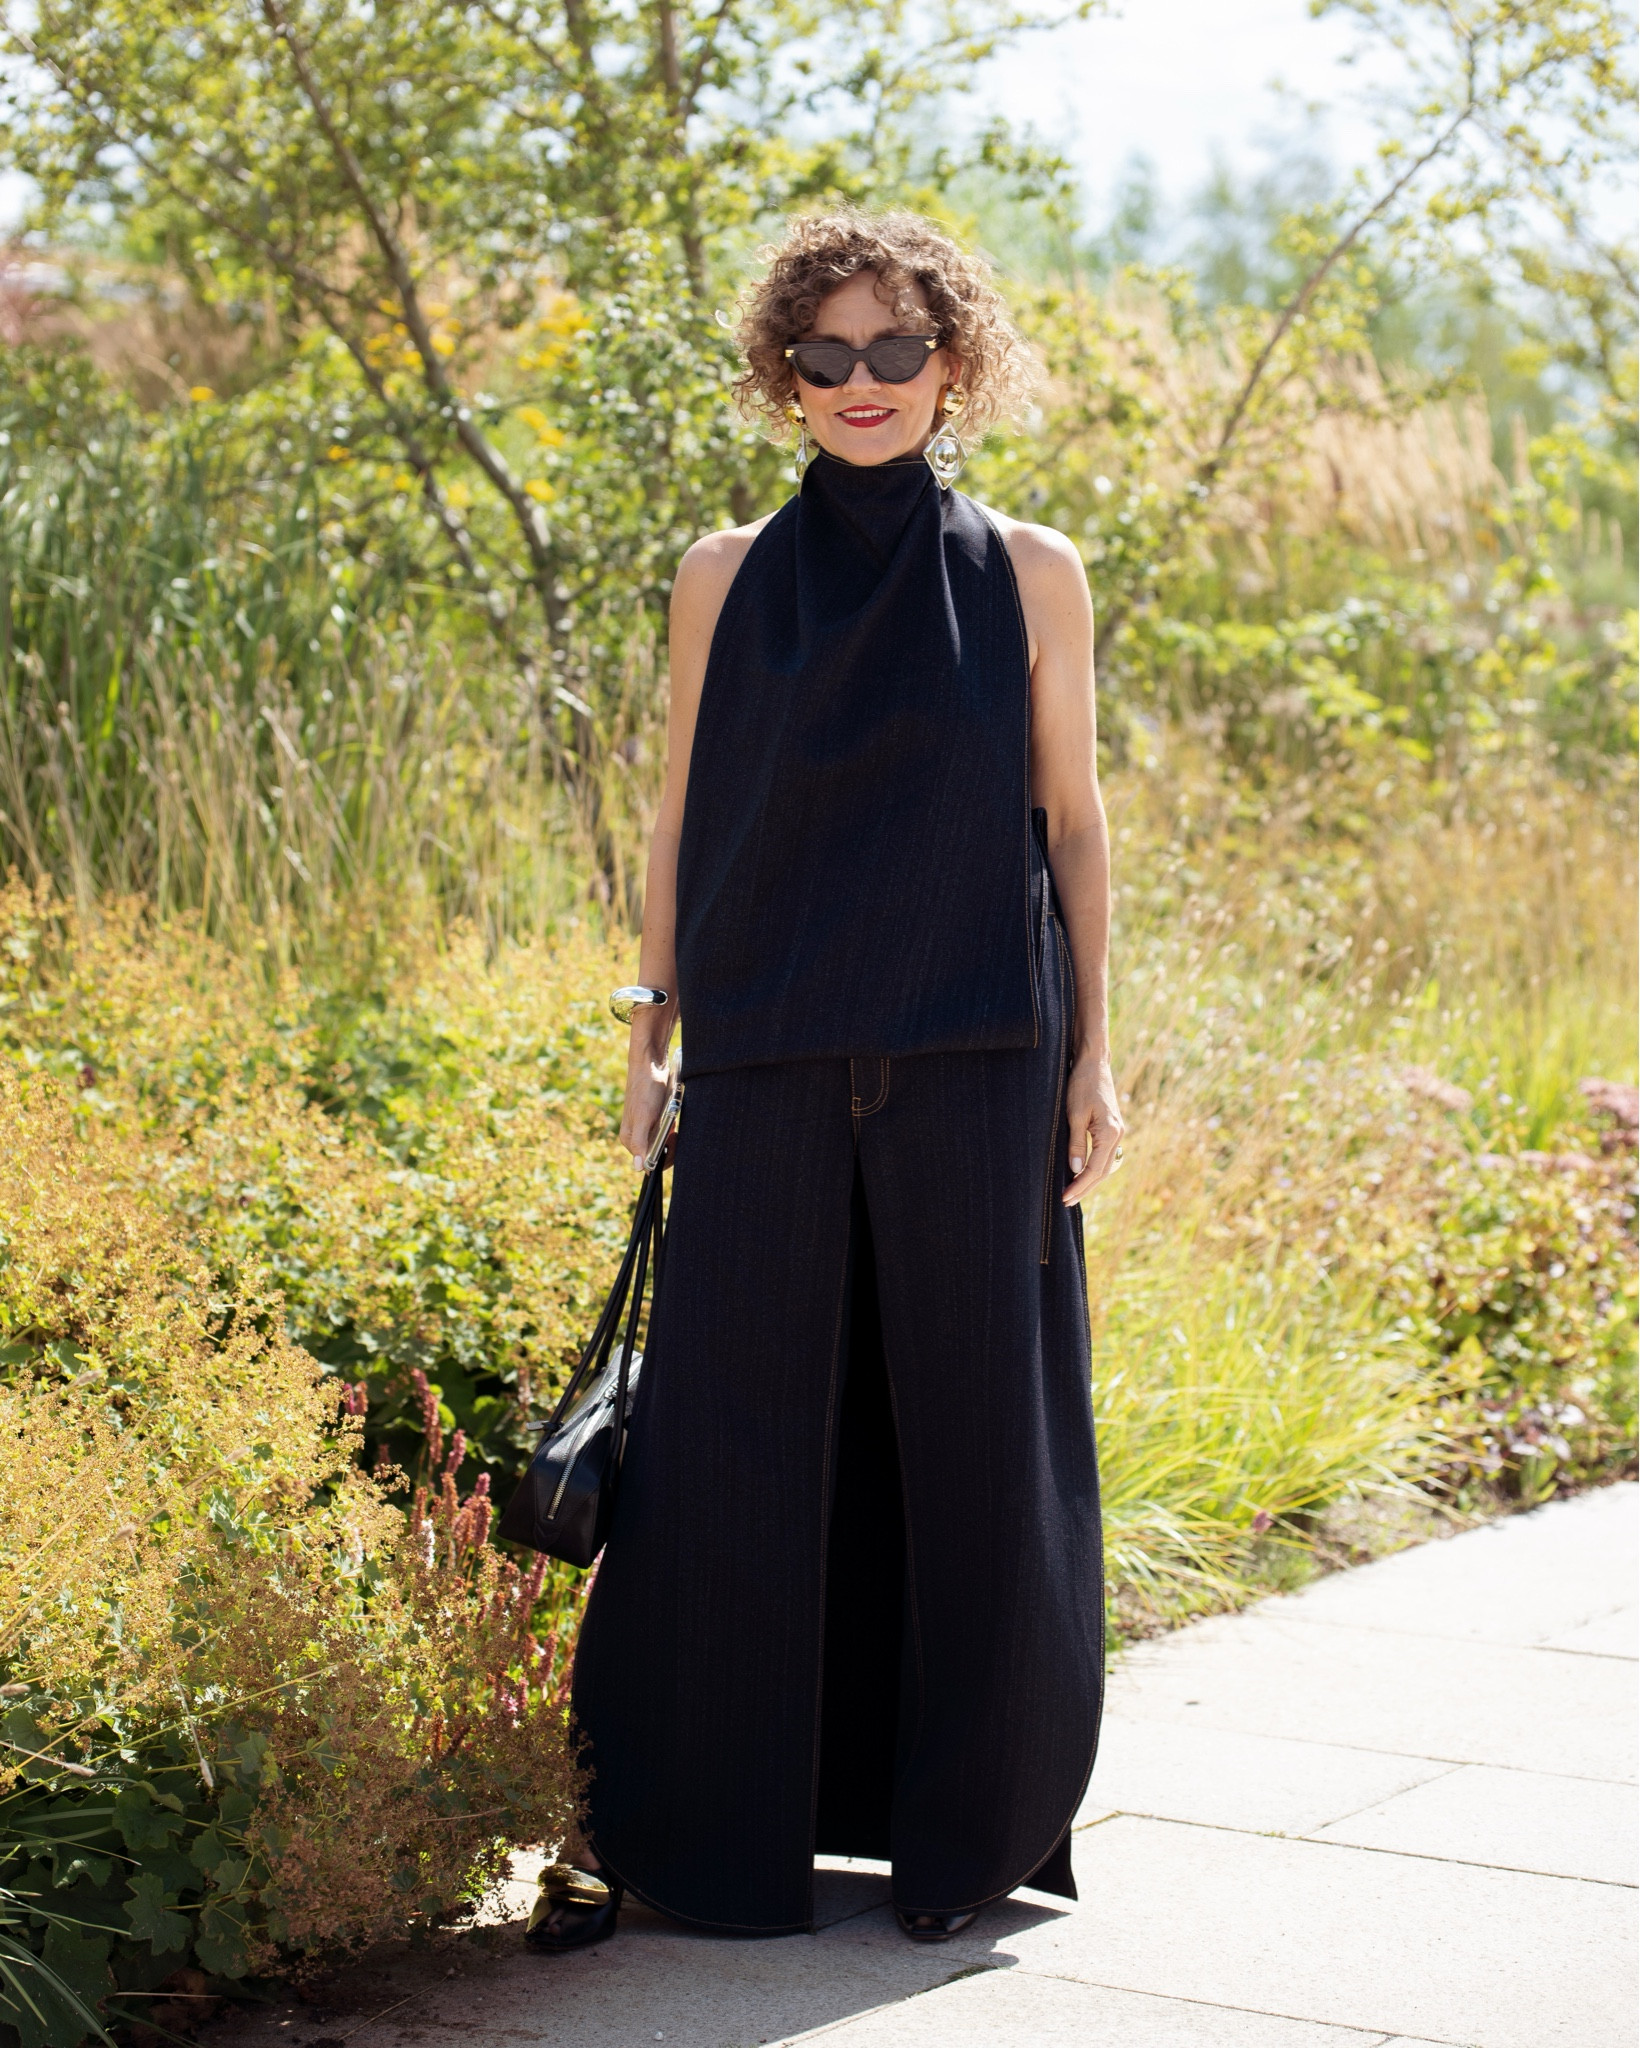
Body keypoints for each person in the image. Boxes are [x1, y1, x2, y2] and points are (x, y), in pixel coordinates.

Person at [527, 208, 1123, 1954]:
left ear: (955, 362)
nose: (862, 384)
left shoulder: (1033, 569)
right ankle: (698, 1843)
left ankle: (964, 1844)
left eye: (894, 350)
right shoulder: (721, 572)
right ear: (783, 376)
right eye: (826, 355)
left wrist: (1104, 1055)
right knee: (730, 1450)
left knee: (974, 1446)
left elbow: (1073, 826)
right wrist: (650, 1021)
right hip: (771, 1054)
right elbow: (675, 814)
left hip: (977, 1056)